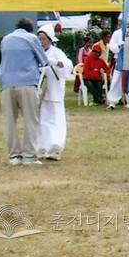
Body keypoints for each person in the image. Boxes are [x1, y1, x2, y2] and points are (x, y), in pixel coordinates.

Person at [0, 18, 48, 166]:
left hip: (6, 84)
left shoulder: (5, 39)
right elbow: (44, 61)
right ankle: (29, 156)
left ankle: (14, 156)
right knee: (31, 120)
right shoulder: (32, 38)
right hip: (26, 83)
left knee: (10, 121)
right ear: (30, 29)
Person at [36, 25, 72, 160]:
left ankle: (55, 148)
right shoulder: (37, 52)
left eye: (44, 39)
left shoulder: (56, 52)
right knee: (42, 121)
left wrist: (56, 63)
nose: (41, 42)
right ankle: (42, 147)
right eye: (39, 39)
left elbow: (67, 65)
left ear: (50, 39)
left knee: (56, 121)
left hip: (54, 91)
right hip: (41, 93)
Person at [105, 25, 126, 108]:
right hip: (119, 60)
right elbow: (112, 45)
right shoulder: (117, 33)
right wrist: (120, 47)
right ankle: (112, 101)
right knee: (116, 79)